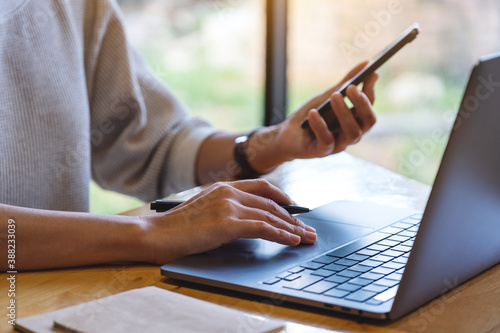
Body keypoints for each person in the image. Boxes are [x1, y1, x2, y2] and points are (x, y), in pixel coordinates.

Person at [0, 0, 378, 271]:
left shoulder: (73, 6)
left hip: (47, 303)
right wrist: (150, 233)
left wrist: (270, 144)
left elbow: (156, 145)